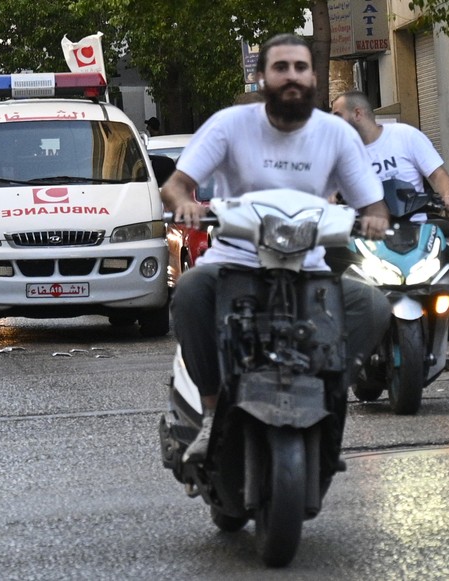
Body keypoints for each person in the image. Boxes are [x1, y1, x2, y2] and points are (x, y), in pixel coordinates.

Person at [161, 33, 392, 466]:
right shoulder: (230, 124)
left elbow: (372, 203)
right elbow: (174, 186)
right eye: (281, 68)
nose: (292, 77)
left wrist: (376, 217)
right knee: (191, 291)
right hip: (235, 260)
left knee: (374, 305)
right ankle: (211, 411)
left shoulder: (336, 135)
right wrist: (186, 204)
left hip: (309, 267)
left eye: (300, 68)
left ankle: (328, 403)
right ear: (262, 76)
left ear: (313, 77)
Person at [330, 90, 449, 212]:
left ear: (357, 113)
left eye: (338, 116)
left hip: (415, 226)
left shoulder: (405, 135)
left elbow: (438, 175)